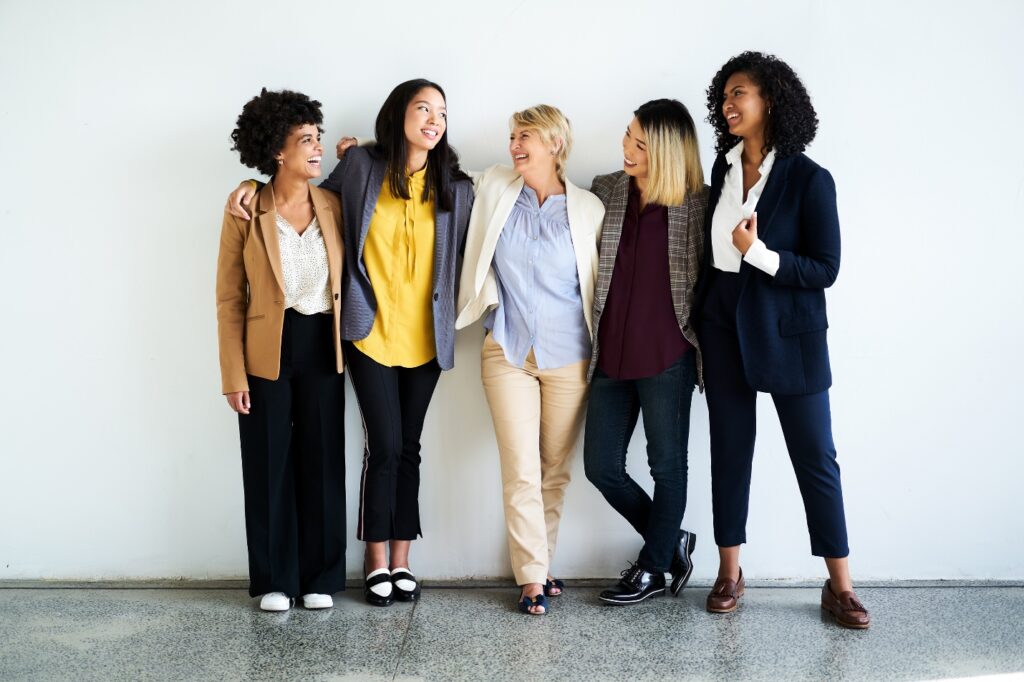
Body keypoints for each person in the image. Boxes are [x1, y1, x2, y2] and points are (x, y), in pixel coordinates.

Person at [226, 79, 474, 607]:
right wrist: (247, 184)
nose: (434, 119)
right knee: (324, 455)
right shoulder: (331, 179)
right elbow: (235, 290)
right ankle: (322, 572)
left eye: (442, 112)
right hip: (317, 341)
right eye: (422, 108)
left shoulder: (434, 188)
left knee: (369, 454)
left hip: (378, 342)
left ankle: (361, 571)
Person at [694, 51, 870, 628]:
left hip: (789, 335)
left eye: (739, 92)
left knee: (815, 457)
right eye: (724, 95)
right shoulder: (720, 171)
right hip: (723, 327)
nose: (728, 103)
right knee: (729, 451)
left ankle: (840, 586)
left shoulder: (810, 179)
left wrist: (761, 255)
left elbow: (825, 267)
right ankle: (729, 571)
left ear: (771, 99)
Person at [455, 105, 604, 615]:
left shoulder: (588, 208)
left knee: (553, 471)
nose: (515, 145)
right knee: (520, 468)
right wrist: (362, 150)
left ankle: (541, 562)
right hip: (508, 351)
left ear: (555, 144)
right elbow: (433, 166)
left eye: (526, 137)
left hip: (570, 357)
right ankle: (532, 579)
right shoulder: (495, 186)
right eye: (512, 136)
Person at [217, 88, 346, 612]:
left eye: (318, 138)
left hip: (322, 345)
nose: (318, 149)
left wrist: (354, 147)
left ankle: (320, 577)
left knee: (322, 461)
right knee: (268, 463)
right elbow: (229, 296)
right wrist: (233, 374)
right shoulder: (247, 207)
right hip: (265, 349)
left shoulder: (333, 205)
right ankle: (275, 579)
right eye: (306, 141)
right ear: (277, 150)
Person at [583, 100, 707, 605]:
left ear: (666, 150)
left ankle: (654, 568)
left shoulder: (697, 202)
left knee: (667, 468)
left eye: (639, 143)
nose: (626, 148)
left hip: (667, 354)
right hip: (609, 353)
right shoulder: (605, 189)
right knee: (601, 467)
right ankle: (671, 540)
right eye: (627, 137)